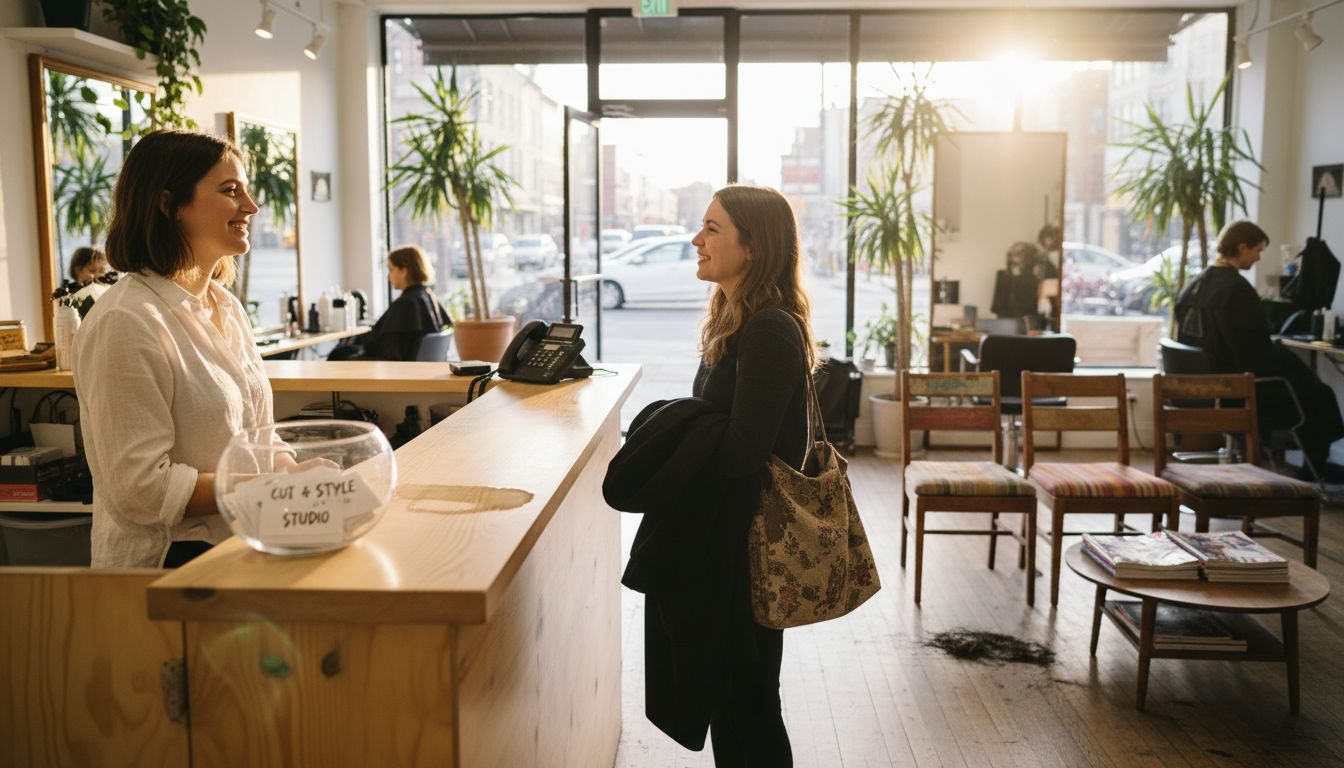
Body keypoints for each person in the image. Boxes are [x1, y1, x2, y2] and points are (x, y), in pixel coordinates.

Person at [606, 185, 810, 765]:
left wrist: (673, 431)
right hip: (728, 539)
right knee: (735, 700)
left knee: (747, 702)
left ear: (754, 246)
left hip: (743, 549)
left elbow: (746, 450)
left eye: (712, 229)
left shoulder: (769, 329)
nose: (696, 240)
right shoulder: (737, 316)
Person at [73, 129, 275, 569]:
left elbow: (257, 438)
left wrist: (301, 474)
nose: (251, 207)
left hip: (241, 548)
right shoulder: (124, 322)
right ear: (169, 204)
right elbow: (140, 489)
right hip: (168, 568)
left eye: (246, 190)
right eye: (229, 191)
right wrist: (266, 485)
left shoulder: (226, 306)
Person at [1176, 219, 1344, 477]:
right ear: (1242, 248)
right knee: (1318, 395)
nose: (1257, 258)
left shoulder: (1194, 285)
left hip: (1205, 385)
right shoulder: (1237, 290)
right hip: (1240, 388)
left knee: (1306, 384)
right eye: (1257, 251)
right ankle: (1314, 471)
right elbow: (1257, 356)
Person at [328, 244, 450, 361]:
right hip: (412, 367)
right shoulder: (427, 295)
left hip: (392, 368)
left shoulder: (406, 303)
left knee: (336, 355)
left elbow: (387, 346)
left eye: (391, 270)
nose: (388, 276)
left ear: (404, 271)